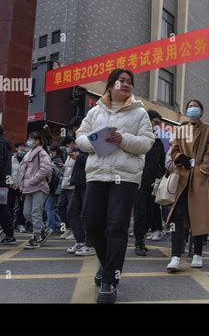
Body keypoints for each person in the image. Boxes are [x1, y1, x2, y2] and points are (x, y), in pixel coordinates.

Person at [77, 68, 154, 303]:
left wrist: (123, 139)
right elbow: (80, 136)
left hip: (125, 177)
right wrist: (95, 141)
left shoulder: (140, 113)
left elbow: (147, 142)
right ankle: (106, 262)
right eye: (121, 81)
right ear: (111, 85)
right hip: (97, 175)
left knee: (117, 227)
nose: (126, 84)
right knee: (91, 223)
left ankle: (110, 279)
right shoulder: (95, 111)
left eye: (130, 82)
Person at [165, 99, 209, 272]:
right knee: (177, 215)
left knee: (199, 215)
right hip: (182, 176)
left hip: (199, 178)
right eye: (190, 107)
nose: (192, 109)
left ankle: (198, 253)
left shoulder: (208, 129)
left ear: (201, 111)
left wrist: (202, 171)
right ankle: (175, 256)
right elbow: (173, 149)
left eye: (195, 107)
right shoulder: (181, 129)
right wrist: (180, 158)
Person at [133, 109, 166, 256]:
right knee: (140, 212)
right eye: (155, 122)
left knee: (150, 212)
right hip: (138, 180)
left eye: (159, 123)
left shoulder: (158, 143)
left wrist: (160, 178)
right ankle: (139, 241)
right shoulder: (137, 138)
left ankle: (143, 238)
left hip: (153, 183)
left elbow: (162, 163)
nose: (157, 126)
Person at [64, 121, 96, 256]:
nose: (75, 132)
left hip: (89, 181)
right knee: (72, 211)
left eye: (76, 129)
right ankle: (81, 240)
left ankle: (91, 244)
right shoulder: (80, 142)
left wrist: (79, 156)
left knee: (89, 214)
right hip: (78, 181)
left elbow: (96, 157)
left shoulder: (93, 138)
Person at [19, 132, 53, 249]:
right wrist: (22, 185)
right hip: (28, 188)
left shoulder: (42, 153)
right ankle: (43, 230)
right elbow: (22, 171)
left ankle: (36, 236)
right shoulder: (28, 154)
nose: (29, 141)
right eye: (29, 139)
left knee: (35, 212)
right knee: (26, 213)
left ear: (38, 141)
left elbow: (46, 169)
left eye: (31, 139)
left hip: (39, 187)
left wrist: (33, 180)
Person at [57, 136, 76, 239]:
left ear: (73, 143)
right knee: (60, 206)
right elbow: (68, 169)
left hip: (72, 186)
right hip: (65, 185)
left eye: (67, 145)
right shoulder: (69, 155)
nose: (66, 147)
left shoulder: (78, 153)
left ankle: (74, 230)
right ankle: (68, 228)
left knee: (71, 209)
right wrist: (62, 167)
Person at [44, 146, 63, 234]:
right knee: (51, 208)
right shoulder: (57, 160)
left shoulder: (56, 161)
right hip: (56, 188)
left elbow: (57, 174)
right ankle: (58, 224)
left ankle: (51, 226)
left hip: (55, 188)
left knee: (49, 208)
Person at [9, 142, 27, 233]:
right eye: (20, 147)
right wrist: (10, 183)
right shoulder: (11, 159)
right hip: (11, 187)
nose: (23, 148)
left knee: (22, 206)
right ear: (16, 148)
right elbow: (7, 172)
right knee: (9, 206)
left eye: (24, 147)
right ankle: (8, 224)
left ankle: (20, 224)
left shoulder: (27, 160)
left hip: (22, 187)